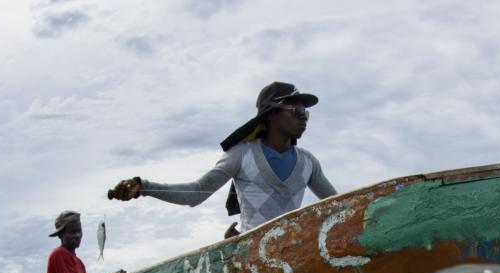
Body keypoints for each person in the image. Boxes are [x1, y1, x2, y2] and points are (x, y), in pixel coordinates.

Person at [107, 81, 337, 236]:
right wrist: (144, 187)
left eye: (306, 113)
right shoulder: (241, 155)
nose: (304, 118)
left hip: (296, 253)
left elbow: (337, 204)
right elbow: (197, 192)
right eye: (296, 111)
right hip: (252, 257)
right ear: (273, 114)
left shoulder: (308, 163)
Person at [45, 210, 125, 273]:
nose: (77, 235)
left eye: (79, 231)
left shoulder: (79, 262)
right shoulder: (58, 254)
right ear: (60, 235)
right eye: (72, 232)